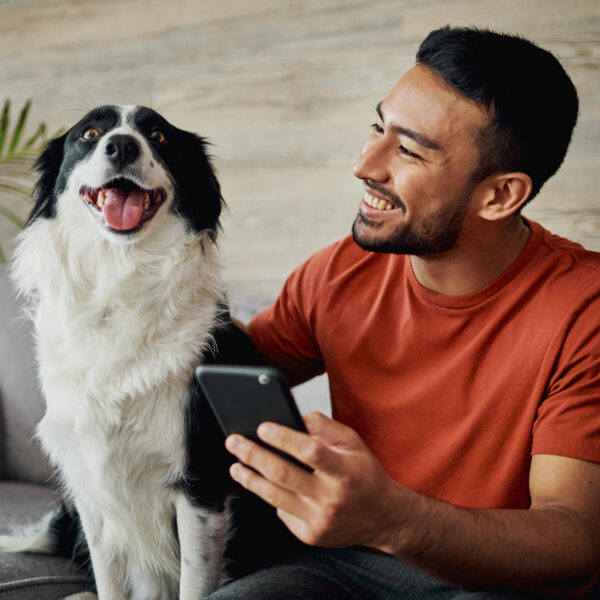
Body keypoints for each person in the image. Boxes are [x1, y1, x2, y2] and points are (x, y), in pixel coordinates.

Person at [209, 26, 600, 599]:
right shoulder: (337, 271)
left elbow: (573, 541)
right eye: (377, 127)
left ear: (499, 196)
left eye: (409, 149)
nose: (366, 165)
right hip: (341, 568)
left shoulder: (584, 307)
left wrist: (392, 518)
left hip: (501, 583)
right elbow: (227, 373)